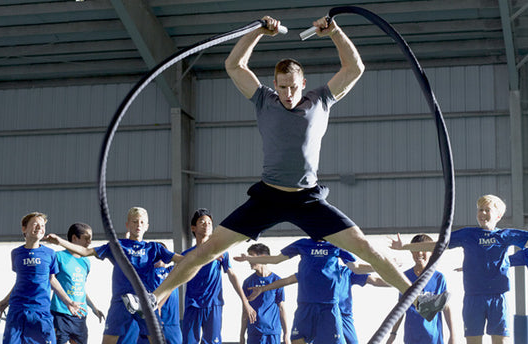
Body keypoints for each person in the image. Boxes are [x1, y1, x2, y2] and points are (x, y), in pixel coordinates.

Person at [123, 15, 448, 323]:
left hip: (307, 200)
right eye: (282, 87)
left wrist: (334, 32)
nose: (288, 94)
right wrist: (257, 33)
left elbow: (355, 68)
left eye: (293, 86)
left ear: (302, 82)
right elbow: (234, 65)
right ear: (274, 85)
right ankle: (154, 297)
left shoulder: (320, 100)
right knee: (206, 251)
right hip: (267, 198)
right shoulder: (263, 100)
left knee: (365, 246)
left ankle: (419, 301)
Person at [391, 195, 528, 344]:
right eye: (480, 210)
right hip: (473, 297)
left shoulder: (505, 235)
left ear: (498, 215)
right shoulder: (468, 234)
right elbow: (438, 245)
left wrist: (505, 263)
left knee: (501, 341)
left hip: (498, 297)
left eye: (487, 210)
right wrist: (404, 247)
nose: (482, 213)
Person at [45, 207, 182, 344]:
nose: (138, 225)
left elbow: (182, 260)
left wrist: (202, 257)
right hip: (120, 301)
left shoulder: (154, 248)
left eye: (141, 222)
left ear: (147, 226)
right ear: (127, 225)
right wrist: (60, 241)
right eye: (134, 222)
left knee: (158, 339)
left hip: (144, 302)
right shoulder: (117, 246)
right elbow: (86, 251)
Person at [236, 237, 363, 344]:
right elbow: (277, 261)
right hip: (305, 305)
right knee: (296, 339)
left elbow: (356, 268)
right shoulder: (303, 248)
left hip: (328, 307)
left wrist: (380, 264)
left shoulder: (336, 246)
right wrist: (250, 260)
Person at [0, 212, 85, 344]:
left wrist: (68, 302)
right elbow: (21, 281)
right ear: (24, 228)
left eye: (42, 226)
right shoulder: (16, 253)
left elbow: (52, 279)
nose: (39, 228)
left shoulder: (50, 254)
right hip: (17, 311)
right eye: (35, 224)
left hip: (41, 311)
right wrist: (5, 301)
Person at [175, 208, 256, 344]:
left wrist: (245, 302)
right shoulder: (186, 255)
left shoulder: (221, 252)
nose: (206, 224)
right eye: (202, 222)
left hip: (214, 304)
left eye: (209, 222)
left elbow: (232, 276)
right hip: (192, 305)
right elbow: (174, 280)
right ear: (193, 227)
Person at [387, 234, 456, 344]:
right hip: (411, 338)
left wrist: (452, 335)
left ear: (431, 252)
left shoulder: (438, 278)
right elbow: (400, 308)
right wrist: (393, 334)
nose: (419, 253)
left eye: (423, 249)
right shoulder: (405, 277)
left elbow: (446, 308)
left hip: (433, 338)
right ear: (410, 252)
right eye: (415, 249)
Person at [50, 222, 105, 344]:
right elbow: (51, 282)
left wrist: (94, 308)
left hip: (80, 315)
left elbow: (80, 288)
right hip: (60, 313)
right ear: (74, 238)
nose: (89, 242)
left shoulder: (86, 261)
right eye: (86, 238)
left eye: (91, 239)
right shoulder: (58, 257)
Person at [239, 243, 290, 344]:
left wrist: (286, 334)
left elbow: (281, 308)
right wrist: (241, 335)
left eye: (251, 257)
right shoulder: (248, 282)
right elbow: (245, 310)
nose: (249, 260)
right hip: (254, 333)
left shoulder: (277, 281)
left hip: (273, 333)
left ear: (263, 258)